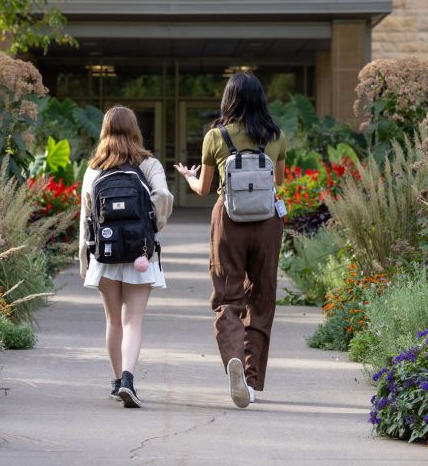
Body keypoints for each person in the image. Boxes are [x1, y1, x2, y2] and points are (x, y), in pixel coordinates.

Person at [174, 73, 286, 408]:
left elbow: (206, 189)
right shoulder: (276, 135)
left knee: (228, 295)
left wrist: (190, 178)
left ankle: (233, 359)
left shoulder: (215, 137)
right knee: (262, 297)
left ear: (229, 100)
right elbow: (278, 181)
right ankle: (250, 382)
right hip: (267, 222)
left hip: (229, 220)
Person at [79, 106, 174, 408]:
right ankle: (130, 379)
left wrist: (85, 259)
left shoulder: (94, 168)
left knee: (112, 320)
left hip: (104, 253)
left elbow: (86, 216)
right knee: (133, 319)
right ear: (136, 129)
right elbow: (164, 197)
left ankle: (117, 380)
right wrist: (152, 225)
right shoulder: (149, 164)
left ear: (105, 130)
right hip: (139, 253)